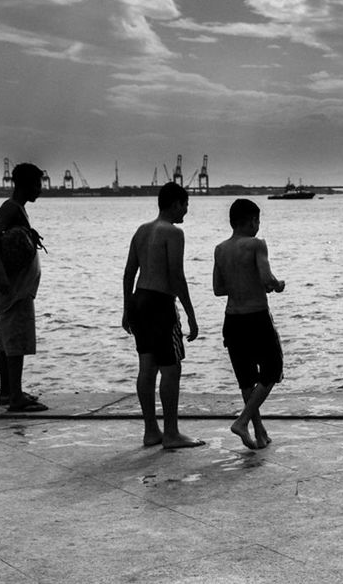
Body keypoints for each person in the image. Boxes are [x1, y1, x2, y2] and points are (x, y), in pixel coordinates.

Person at [121, 182, 203, 449]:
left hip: (139, 300)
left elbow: (129, 273)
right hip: (160, 303)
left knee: (147, 367)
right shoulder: (173, 233)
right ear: (176, 203)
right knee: (171, 369)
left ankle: (151, 431)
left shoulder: (141, 231)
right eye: (185, 206)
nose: (186, 212)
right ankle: (171, 433)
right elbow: (176, 276)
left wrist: (126, 308)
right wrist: (191, 314)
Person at [213, 199, 286, 450]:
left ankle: (259, 431)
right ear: (253, 220)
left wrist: (239, 282)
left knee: (246, 379)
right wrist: (277, 285)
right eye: (258, 220)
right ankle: (243, 421)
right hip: (256, 317)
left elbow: (218, 288)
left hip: (232, 320)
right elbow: (267, 278)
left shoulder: (220, 249)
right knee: (272, 369)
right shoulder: (257, 244)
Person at [0, 162, 48, 412]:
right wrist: (1, 274)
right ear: (27, 185)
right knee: (15, 341)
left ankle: (7, 392)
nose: (40, 189)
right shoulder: (11, 208)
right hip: (14, 290)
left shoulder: (15, 208)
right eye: (38, 184)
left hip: (15, 289)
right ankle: (16, 396)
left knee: (6, 340)